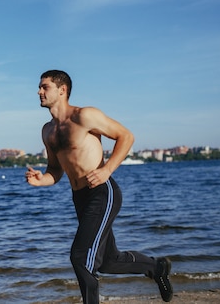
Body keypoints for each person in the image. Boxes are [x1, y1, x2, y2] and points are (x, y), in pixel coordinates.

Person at [26, 70, 173, 304]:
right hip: (80, 198)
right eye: (39, 87)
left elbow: (126, 136)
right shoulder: (48, 131)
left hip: (102, 194)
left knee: (81, 257)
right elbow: (55, 170)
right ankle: (157, 268)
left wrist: (107, 170)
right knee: (108, 261)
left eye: (45, 87)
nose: (39, 91)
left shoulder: (85, 116)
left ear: (62, 90)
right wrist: (40, 179)